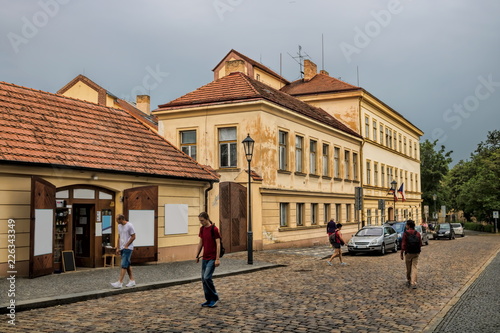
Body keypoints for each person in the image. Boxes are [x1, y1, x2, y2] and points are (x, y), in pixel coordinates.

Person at [196, 212, 221, 308]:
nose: (201, 222)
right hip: (205, 257)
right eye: (200, 221)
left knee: (207, 277)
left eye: (202, 220)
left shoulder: (214, 229)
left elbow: (218, 244)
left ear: (207, 219)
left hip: (212, 258)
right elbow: (200, 243)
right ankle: (208, 299)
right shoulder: (202, 229)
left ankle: (214, 298)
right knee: (203, 279)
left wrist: (217, 259)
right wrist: (197, 255)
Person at [111, 214, 136, 288]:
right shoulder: (119, 226)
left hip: (128, 248)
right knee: (127, 265)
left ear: (121, 219)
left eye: (117, 220)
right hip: (122, 247)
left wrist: (127, 245)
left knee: (124, 264)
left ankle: (120, 282)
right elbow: (119, 237)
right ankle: (132, 280)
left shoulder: (129, 226)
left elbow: (133, 236)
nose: (116, 221)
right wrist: (117, 248)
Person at [400, 219, 422, 289]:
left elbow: (403, 244)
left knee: (408, 268)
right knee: (414, 267)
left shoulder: (406, 233)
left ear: (408, 225)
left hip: (408, 253)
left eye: (406, 225)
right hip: (416, 253)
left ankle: (409, 279)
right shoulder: (417, 233)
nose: (406, 226)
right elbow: (420, 243)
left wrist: (401, 253)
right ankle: (414, 282)